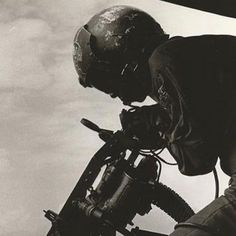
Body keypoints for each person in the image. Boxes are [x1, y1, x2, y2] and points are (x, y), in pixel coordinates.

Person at [73, 5, 236, 236]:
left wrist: (157, 126)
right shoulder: (186, 55)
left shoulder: (164, 62)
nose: (114, 95)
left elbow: (196, 160)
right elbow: (208, 115)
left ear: (123, 61)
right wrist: (157, 118)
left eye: (106, 81)